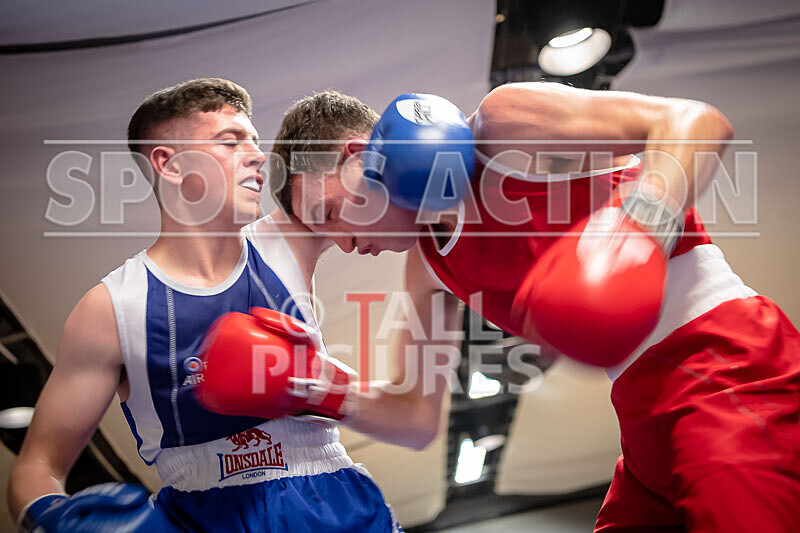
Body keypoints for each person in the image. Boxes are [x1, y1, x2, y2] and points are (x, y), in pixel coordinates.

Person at [252, 85, 800, 531]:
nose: (345, 245)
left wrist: (632, 233)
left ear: (358, 158)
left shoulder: (502, 127)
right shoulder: (428, 268)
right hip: (642, 418)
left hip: (729, 366)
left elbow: (697, 122)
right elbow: (415, 418)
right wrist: (311, 385)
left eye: (329, 214)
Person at [7, 78, 401, 532]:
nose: (257, 156)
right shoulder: (110, 309)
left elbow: (381, 189)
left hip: (332, 501)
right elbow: (37, 465)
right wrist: (51, 518)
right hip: (201, 517)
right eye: (230, 141)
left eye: (255, 141)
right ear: (169, 164)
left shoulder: (290, 240)